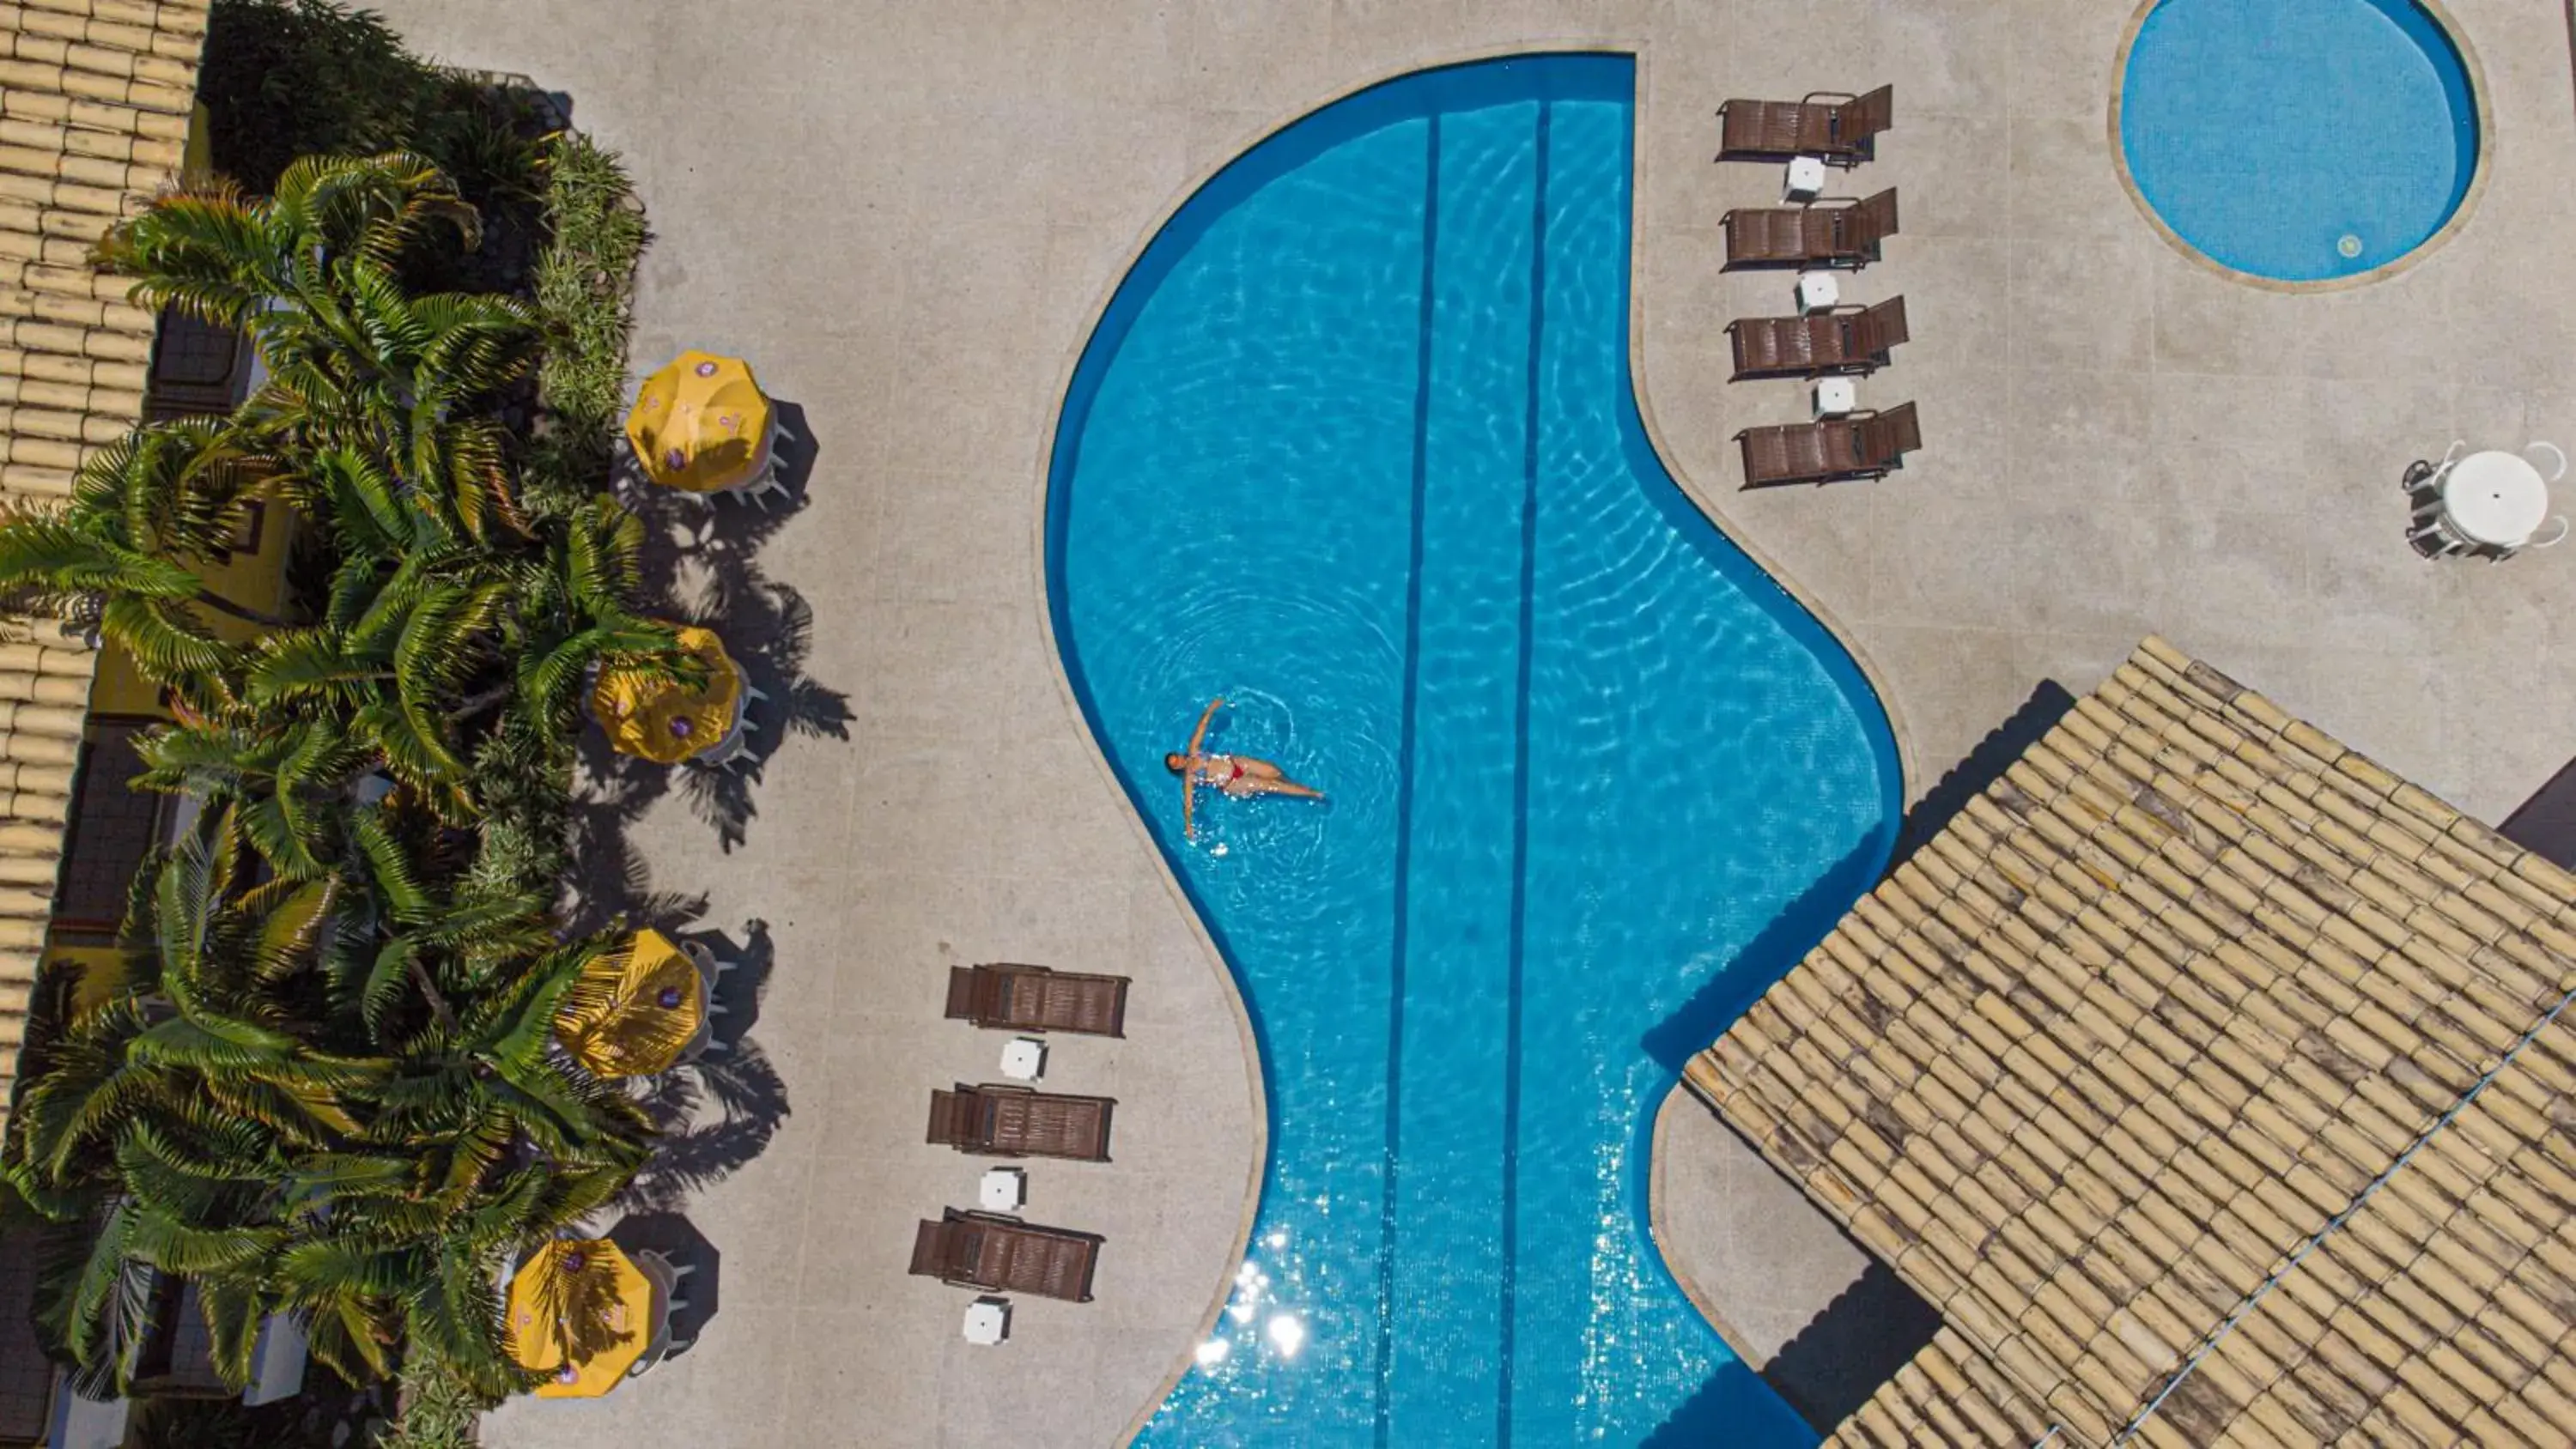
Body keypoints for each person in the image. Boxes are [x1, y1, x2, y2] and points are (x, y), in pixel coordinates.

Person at [1166, 697, 1322, 840]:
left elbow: (1201, 727)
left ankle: (1293, 786)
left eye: (1177, 756)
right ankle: (1312, 793)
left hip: (1236, 763)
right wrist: (1189, 826)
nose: (1180, 760)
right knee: (1272, 786)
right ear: (1177, 768)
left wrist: (1211, 709)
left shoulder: (1193, 750)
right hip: (1233, 783)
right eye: (1176, 763)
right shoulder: (1190, 777)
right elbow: (1188, 803)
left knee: (1273, 771)